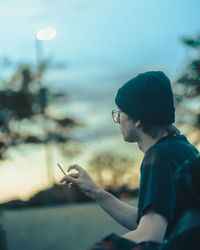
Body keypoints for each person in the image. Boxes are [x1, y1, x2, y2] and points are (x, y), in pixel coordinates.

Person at [60, 71, 200, 249]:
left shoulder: (158, 157)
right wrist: (95, 191)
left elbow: (150, 235)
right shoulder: (184, 149)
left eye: (120, 113)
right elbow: (150, 222)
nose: (117, 120)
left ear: (138, 120)